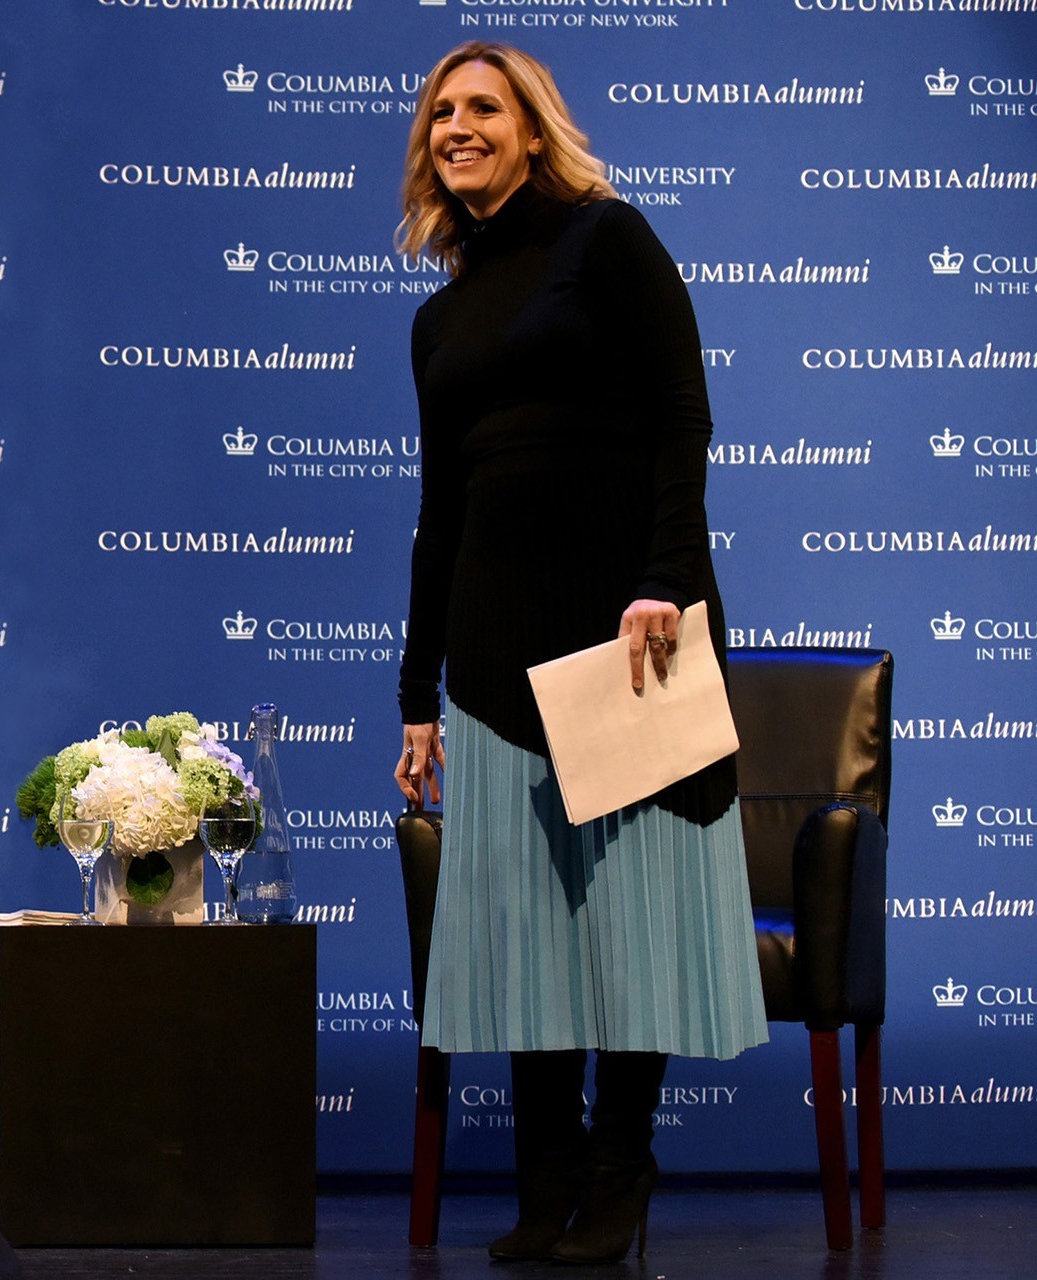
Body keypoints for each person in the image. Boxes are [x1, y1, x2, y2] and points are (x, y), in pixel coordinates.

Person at [392, 44, 766, 1264]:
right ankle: (542, 1181)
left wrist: (665, 580)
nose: (459, 125)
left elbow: (681, 412)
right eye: (442, 111)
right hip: (494, 656)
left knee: (633, 931)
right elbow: (440, 507)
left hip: (624, 636)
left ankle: (620, 1173)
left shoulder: (605, 240)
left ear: (531, 129)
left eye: (482, 106)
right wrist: (417, 694)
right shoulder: (438, 316)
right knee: (526, 940)